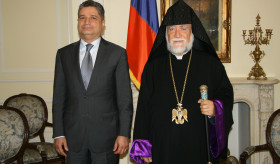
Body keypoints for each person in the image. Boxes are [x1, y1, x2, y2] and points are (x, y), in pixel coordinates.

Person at [129, 1, 233, 164]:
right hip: (162, 147)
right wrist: (144, 145)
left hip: (198, 146)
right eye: (171, 29)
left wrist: (216, 108)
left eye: (183, 28)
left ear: (192, 32)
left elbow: (226, 94)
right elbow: (144, 108)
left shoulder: (210, 64)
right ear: (166, 33)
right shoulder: (153, 67)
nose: (177, 34)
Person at [52, 1, 133, 163]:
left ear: (102, 23)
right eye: (82, 17)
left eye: (93, 18)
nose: (87, 22)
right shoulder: (63, 54)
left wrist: (124, 133)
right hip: (72, 139)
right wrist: (58, 133)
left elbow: (124, 100)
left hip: (107, 139)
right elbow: (59, 98)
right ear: (77, 22)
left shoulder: (117, 54)